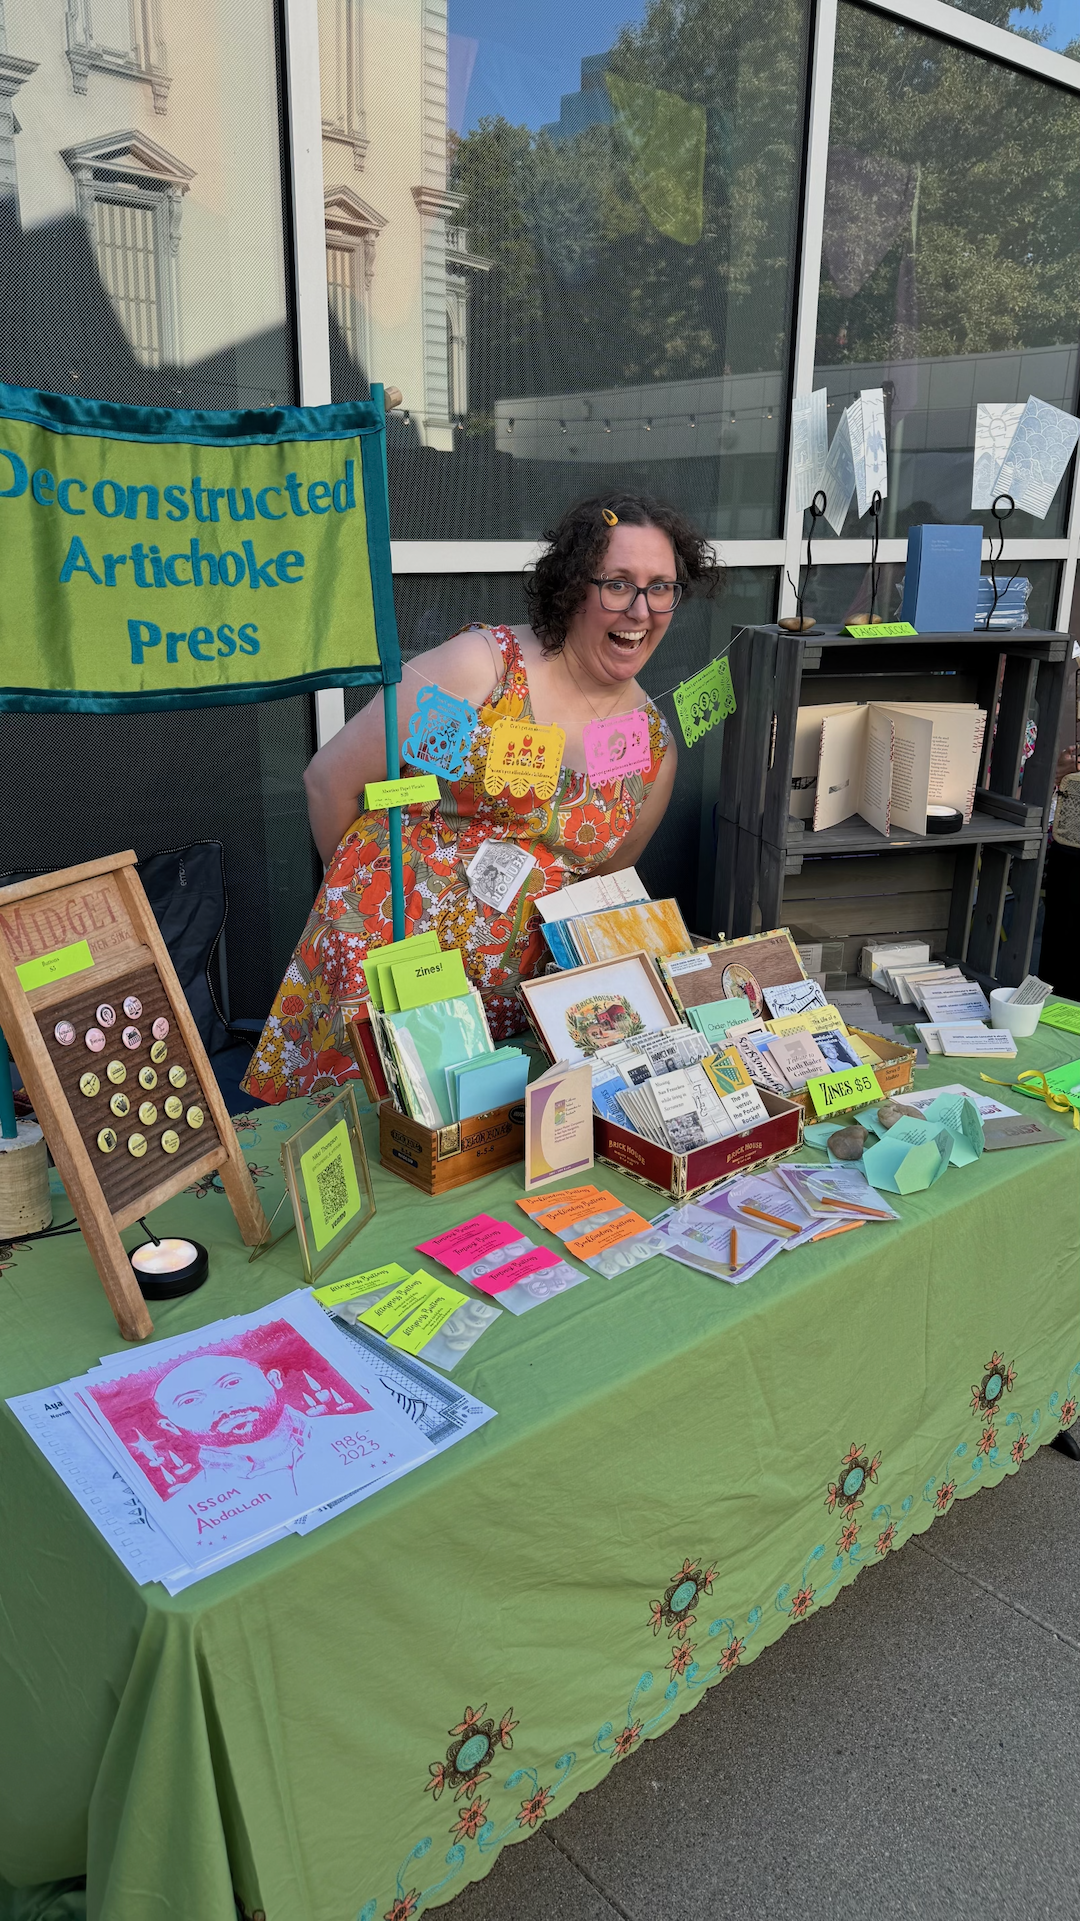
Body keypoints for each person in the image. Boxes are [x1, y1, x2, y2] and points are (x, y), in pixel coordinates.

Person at [243, 493, 722, 1103]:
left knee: (472, 1178)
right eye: (618, 584)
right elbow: (331, 783)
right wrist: (367, 916)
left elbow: (599, 882)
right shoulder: (487, 673)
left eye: (661, 587)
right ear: (573, 587)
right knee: (360, 1152)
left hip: (510, 1013)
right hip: (389, 983)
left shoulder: (649, 746)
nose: (641, 609)